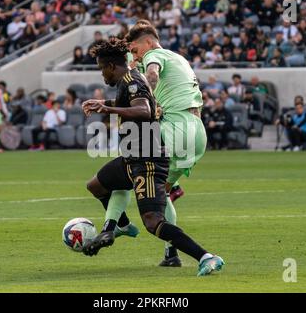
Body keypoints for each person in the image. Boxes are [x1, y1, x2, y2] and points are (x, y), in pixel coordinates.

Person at [81, 39, 224, 276]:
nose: (102, 75)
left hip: (148, 161)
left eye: (101, 69)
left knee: (152, 221)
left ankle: (207, 257)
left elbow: (144, 110)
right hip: (132, 158)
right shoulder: (127, 81)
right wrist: (103, 103)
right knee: (96, 185)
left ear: (110, 66)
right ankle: (120, 226)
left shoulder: (133, 80)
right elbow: (135, 103)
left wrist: (108, 110)